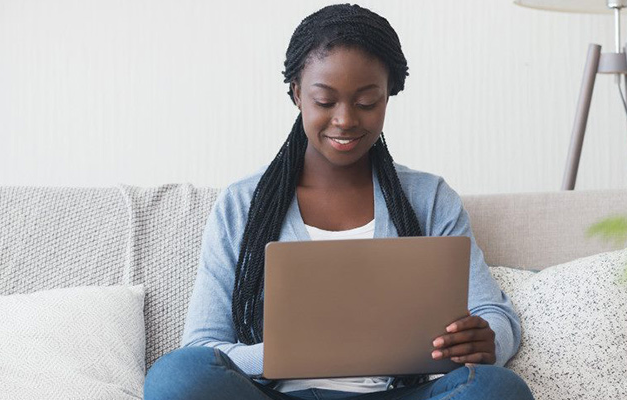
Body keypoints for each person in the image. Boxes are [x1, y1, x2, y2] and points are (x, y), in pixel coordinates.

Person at [142, 4, 534, 400]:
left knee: (497, 389)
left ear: (387, 97)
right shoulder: (243, 202)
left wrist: (487, 341)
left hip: (401, 394)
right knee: (176, 376)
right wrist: (288, 354)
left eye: (366, 102)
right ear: (297, 94)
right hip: (275, 395)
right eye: (325, 101)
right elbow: (204, 348)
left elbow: (496, 315)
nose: (345, 119)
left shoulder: (428, 198)